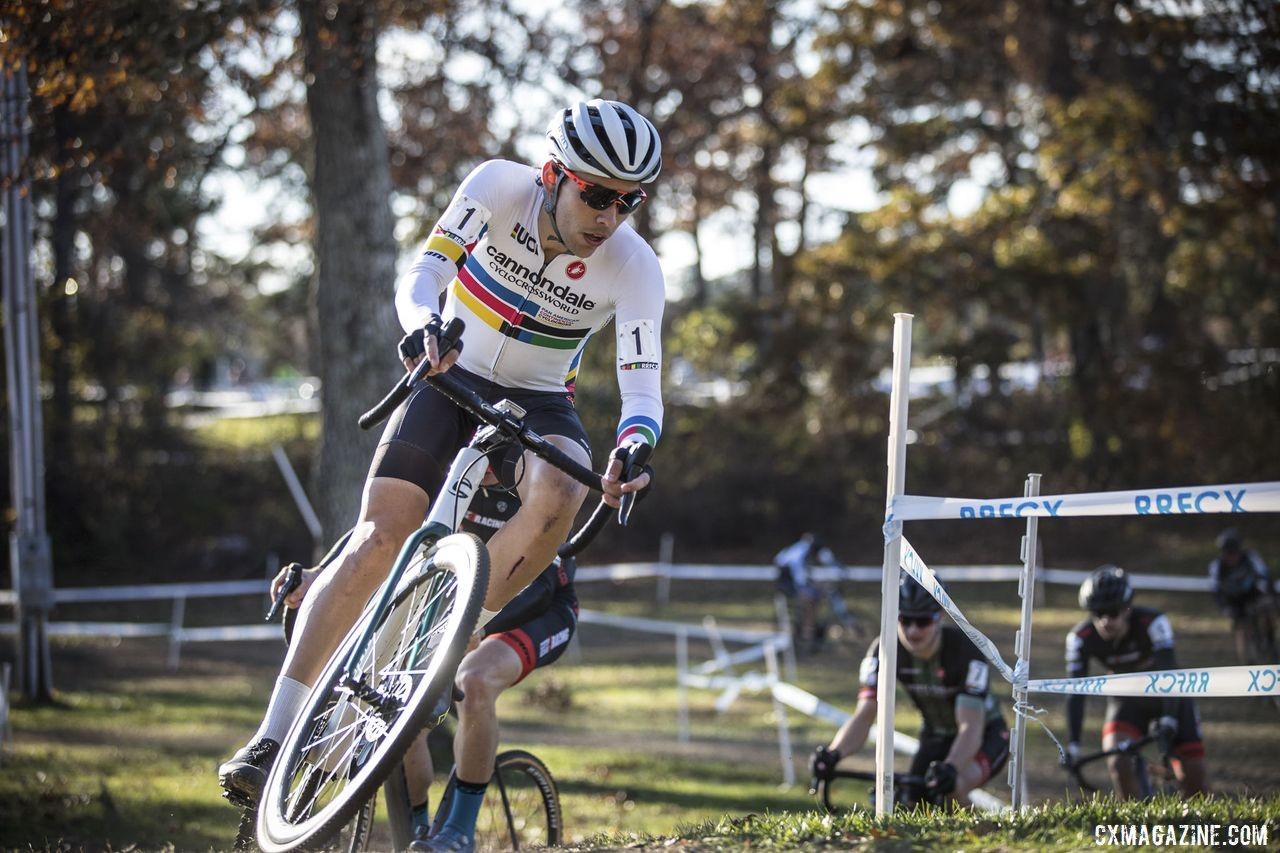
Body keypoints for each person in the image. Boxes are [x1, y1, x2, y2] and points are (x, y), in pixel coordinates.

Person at [218, 98, 664, 819]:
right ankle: (272, 737)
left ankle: (452, 629)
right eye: (598, 194)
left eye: (629, 200)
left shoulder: (634, 265)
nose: (611, 215)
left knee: (565, 481)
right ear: (554, 174)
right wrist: (426, 325)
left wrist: (635, 443)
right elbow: (420, 276)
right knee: (378, 536)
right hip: (449, 369)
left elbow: (643, 387)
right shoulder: (496, 187)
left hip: (541, 394)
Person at [808, 575, 1010, 808]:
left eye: (923, 621)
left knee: (953, 789)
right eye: (905, 620)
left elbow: (971, 726)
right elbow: (864, 716)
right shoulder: (884, 650)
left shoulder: (964, 651)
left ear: (939, 617)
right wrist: (834, 754)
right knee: (912, 802)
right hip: (935, 736)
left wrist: (951, 767)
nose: (913, 630)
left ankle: (976, 840)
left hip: (986, 736)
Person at [1064, 565, 1209, 799]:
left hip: (1169, 697)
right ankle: (1137, 823)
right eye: (1097, 613)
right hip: (1127, 702)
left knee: (1193, 777)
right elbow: (1075, 692)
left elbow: (1170, 673)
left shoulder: (1153, 622)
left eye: (1112, 612)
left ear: (1127, 608)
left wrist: (1170, 717)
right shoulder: (1080, 638)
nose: (1104, 621)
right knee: (1119, 764)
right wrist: (1073, 746)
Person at [1207, 528, 1276, 664]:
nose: (1232, 557)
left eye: (1234, 552)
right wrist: (1225, 608)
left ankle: (1270, 642)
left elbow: (1266, 577)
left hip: (1253, 596)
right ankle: (1246, 662)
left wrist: (1268, 595)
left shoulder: (1251, 557)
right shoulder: (1216, 566)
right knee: (1241, 628)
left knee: (1268, 610)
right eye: (1228, 553)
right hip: (1234, 602)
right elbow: (1216, 592)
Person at [773, 532, 842, 653]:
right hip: (786, 581)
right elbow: (797, 573)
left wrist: (840, 568)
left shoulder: (809, 548)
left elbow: (828, 559)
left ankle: (813, 627)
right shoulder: (800, 552)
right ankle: (807, 633)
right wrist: (805, 587)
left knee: (819, 594)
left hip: (795, 578)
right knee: (809, 600)